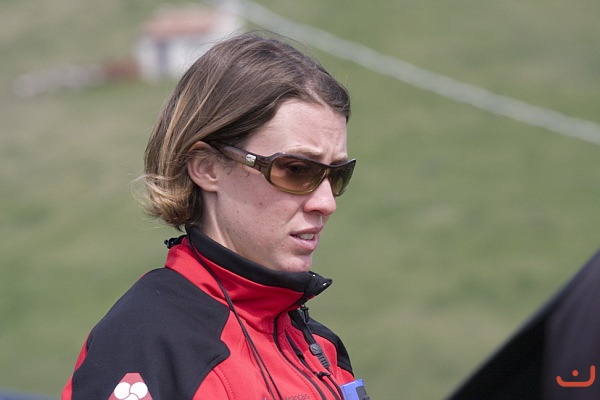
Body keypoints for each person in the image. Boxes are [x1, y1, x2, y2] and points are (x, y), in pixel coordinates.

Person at [62, 31, 365, 400]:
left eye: (337, 174)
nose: (326, 203)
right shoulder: (146, 344)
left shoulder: (319, 345)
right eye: (296, 170)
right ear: (206, 167)